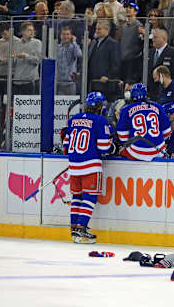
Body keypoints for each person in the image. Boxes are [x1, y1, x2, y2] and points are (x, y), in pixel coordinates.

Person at [63, 91, 114, 244]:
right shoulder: (100, 120)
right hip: (91, 166)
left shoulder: (73, 120)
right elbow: (104, 148)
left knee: (77, 197)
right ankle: (81, 229)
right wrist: (113, 148)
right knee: (90, 198)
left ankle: (74, 230)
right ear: (100, 107)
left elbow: (66, 145)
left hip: (74, 166)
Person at [117, 83, 172, 161]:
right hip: (158, 151)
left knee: (120, 150)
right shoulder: (158, 107)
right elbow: (167, 133)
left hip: (136, 152)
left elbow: (122, 137)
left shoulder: (126, 109)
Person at [87, 20, 122, 102]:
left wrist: (108, 76)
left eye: (99, 29)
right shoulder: (94, 43)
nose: (96, 31)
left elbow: (116, 63)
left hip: (106, 85)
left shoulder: (113, 43)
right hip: (93, 83)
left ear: (107, 30)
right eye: (96, 29)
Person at [147, 28, 174, 98]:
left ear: (164, 38)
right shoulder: (149, 52)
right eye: (152, 37)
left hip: (166, 92)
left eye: (155, 37)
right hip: (150, 92)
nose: (153, 40)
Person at [13, 21, 42, 95]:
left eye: (33, 30)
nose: (32, 32)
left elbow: (38, 60)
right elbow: (14, 61)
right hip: (17, 80)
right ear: (23, 31)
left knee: (29, 105)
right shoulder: (16, 43)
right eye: (29, 30)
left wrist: (26, 56)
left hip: (30, 80)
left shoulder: (37, 43)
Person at [57, 26, 82, 95]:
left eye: (68, 34)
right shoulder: (57, 47)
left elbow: (79, 54)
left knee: (71, 105)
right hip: (57, 83)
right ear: (60, 36)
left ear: (71, 36)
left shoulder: (74, 47)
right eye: (63, 34)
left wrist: (74, 42)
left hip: (69, 83)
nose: (65, 36)